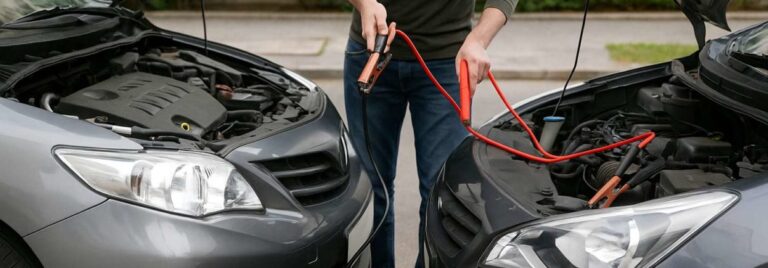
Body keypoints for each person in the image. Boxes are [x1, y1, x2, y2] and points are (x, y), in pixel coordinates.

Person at [343, 0, 517, 267]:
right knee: (371, 189)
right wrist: (364, 4)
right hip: (370, 52)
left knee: (442, 194)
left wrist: (478, 40)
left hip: (447, 60)